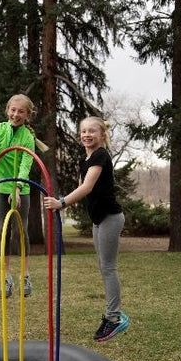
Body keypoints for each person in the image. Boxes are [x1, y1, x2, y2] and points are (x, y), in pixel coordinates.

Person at [43, 116, 130, 342]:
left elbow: (87, 186)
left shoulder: (100, 155)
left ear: (102, 135)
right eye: (83, 131)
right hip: (99, 219)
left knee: (108, 267)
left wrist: (62, 203)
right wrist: (63, 199)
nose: (87, 135)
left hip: (110, 217)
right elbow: (84, 188)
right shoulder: (86, 158)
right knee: (104, 266)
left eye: (92, 131)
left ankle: (114, 317)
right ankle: (113, 314)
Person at [0, 94, 38, 298]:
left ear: (27, 115)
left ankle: (26, 275)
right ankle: (6, 277)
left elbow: (25, 165)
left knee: (20, 232)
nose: (16, 114)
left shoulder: (27, 137)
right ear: (7, 110)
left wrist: (18, 188)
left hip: (21, 189)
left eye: (21, 111)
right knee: (3, 232)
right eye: (13, 110)